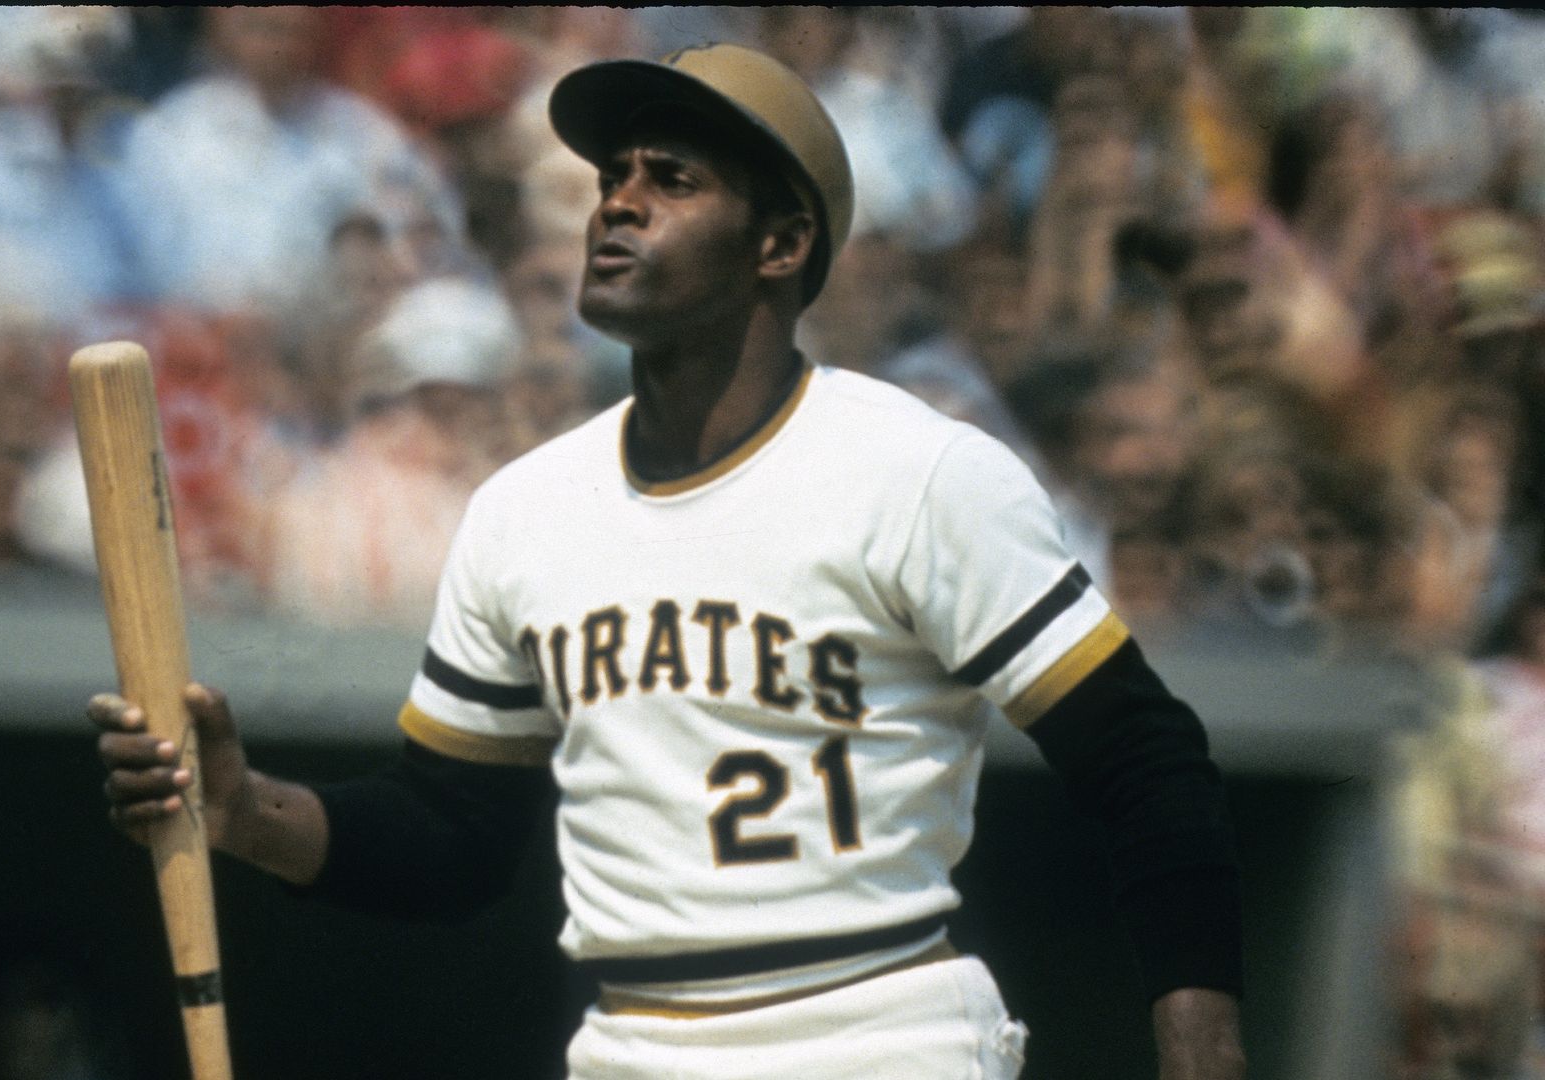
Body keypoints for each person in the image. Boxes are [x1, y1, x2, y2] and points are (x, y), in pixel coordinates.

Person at [93, 44, 1245, 1079]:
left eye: (671, 181)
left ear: (781, 244)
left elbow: (1148, 765)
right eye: (612, 178)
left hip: (876, 1029)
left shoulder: (922, 471)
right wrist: (245, 812)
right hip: (634, 1043)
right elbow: (450, 838)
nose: (617, 206)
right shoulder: (522, 510)